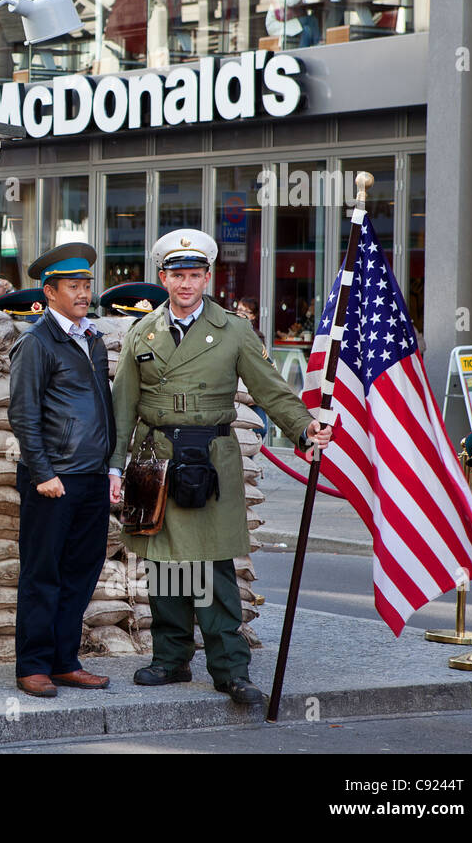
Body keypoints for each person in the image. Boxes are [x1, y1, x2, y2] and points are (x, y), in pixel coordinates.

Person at [106, 230, 332, 705]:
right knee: (164, 564)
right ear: (162, 278)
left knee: (212, 567)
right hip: (156, 457)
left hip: (210, 458)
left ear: (207, 276)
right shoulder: (141, 332)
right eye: (176, 276)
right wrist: (114, 467)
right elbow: (123, 405)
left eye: (193, 275)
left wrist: (303, 428)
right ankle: (170, 659)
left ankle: (230, 668)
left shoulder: (233, 330)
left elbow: (269, 388)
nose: (185, 285)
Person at [7, 243, 116, 698]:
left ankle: (64, 660)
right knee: (42, 573)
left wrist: (111, 467)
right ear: (49, 292)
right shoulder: (35, 342)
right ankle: (33, 665)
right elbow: (23, 414)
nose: (84, 293)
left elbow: (104, 407)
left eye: (88, 285)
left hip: (91, 476)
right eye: (74, 286)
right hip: (54, 479)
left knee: (80, 572)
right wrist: (43, 472)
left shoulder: (91, 338)